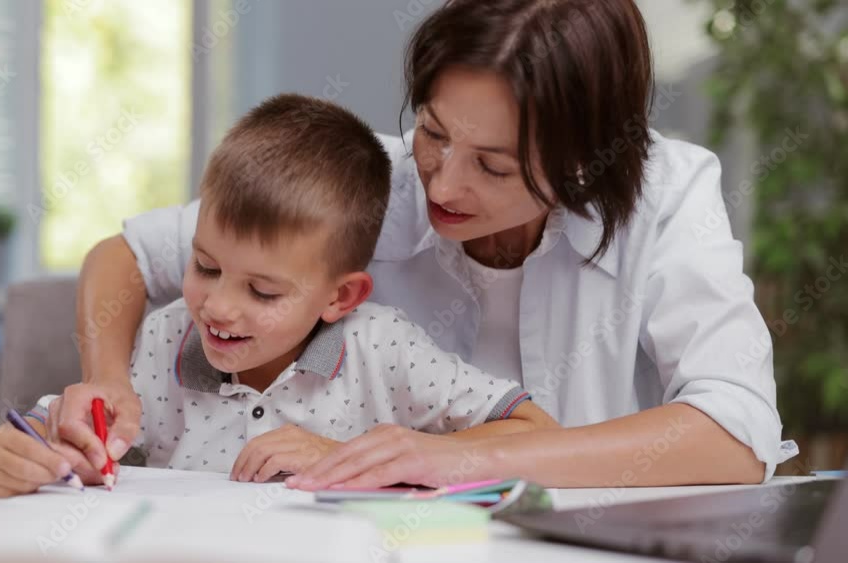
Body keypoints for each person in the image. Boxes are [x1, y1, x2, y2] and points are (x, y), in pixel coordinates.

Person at [53, 0, 796, 489]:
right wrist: (107, 379)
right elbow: (125, 256)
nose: (441, 182)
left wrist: (456, 456)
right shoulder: (372, 183)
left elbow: (736, 431)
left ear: (581, 159)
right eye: (435, 132)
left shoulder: (667, 193)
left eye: (493, 166)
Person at [0, 94, 558, 498]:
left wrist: (351, 458)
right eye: (204, 266)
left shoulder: (384, 348)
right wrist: (32, 452)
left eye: (262, 290)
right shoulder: (167, 338)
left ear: (341, 296)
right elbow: (74, 436)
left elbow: (535, 430)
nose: (219, 307)